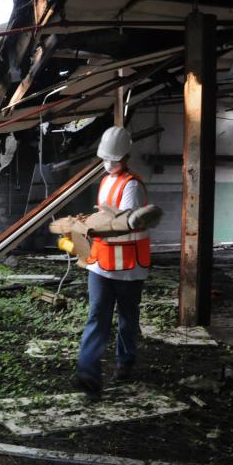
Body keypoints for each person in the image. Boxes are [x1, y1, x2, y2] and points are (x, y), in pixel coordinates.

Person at [74, 125, 151, 393]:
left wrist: (94, 224)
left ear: (126, 157)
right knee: (97, 316)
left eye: (113, 159)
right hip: (101, 263)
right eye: (105, 158)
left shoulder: (132, 186)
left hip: (128, 267)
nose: (108, 164)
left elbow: (125, 224)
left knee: (127, 317)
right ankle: (87, 370)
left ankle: (125, 364)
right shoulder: (107, 180)